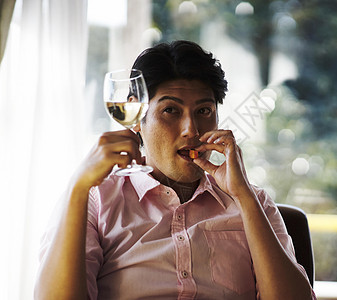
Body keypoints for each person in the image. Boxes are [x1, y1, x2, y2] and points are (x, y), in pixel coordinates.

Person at [34, 40, 315, 299]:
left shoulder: (253, 202)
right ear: (136, 118)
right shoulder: (96, 200)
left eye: (204, 111)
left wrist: (245, 199)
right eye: (171, 110)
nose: (190, 130)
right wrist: (78, 187)